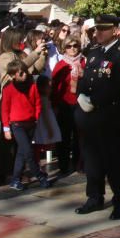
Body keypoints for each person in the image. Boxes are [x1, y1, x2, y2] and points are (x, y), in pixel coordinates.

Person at [74, 15, 120, 218]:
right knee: (92, 159)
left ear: (115, 30)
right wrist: (81, 95)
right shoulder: (93, 52)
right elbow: (86, 79)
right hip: (90, 116)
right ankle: (94, 196)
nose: (98, 33)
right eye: (96, 29)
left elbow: (118, 85)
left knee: (114, 161)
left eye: (104, 29)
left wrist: (94, 101)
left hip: (109, 115)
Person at [1, 59, 51, 190]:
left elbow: (37, 103)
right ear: (13, 76)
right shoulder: (8, 89)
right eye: (20, 73)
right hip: (17, 125)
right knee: (28, 152)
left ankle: (15, 179)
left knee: (22, 153)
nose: (24, 75)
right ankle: (40, 176)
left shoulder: (32, 86)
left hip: (30, 123)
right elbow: (5, 109)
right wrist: (6, 127)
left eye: (25, 72)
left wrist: (36, 118)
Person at [51, 34, 85, 174]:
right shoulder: (61, 65)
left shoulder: (84, 62)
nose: (72, 49)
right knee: (64, 136)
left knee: (80, 136)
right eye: (69, 46)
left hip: (80, 103)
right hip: (65, 104)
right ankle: (63, 165)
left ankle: (79, 163)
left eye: (75, 46)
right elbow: (54, 87)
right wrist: (55, 105)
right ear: (64, 48)